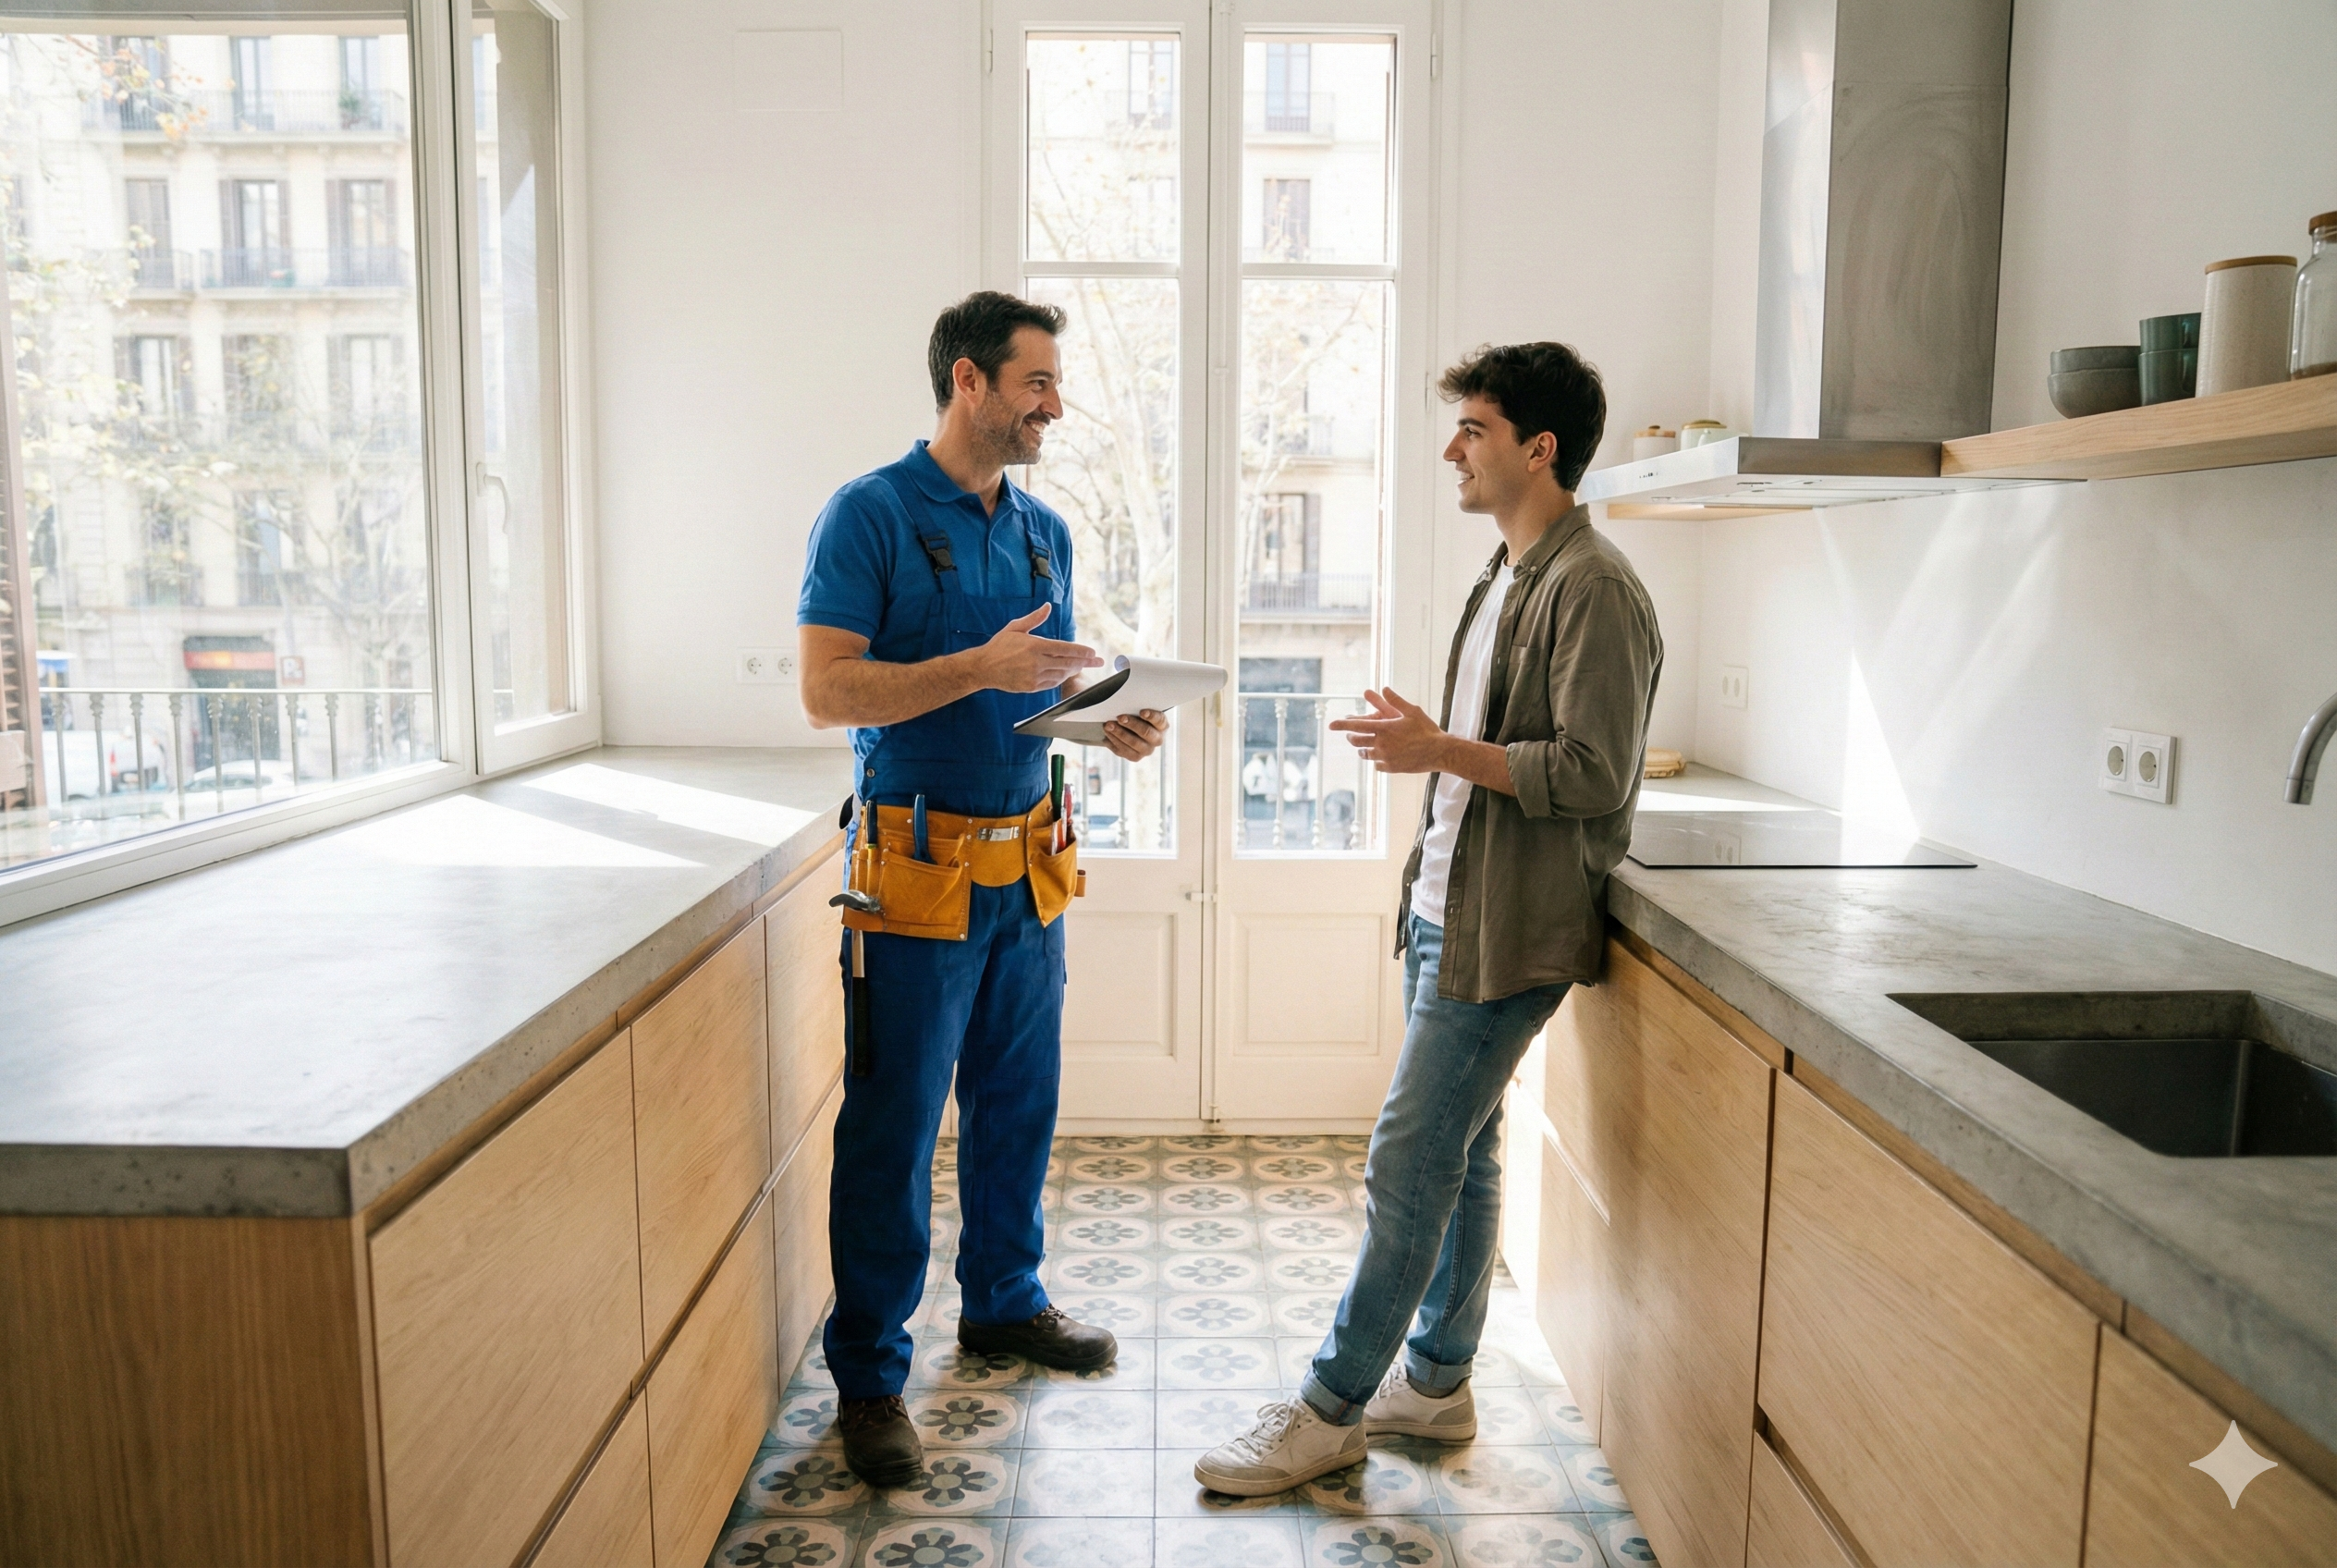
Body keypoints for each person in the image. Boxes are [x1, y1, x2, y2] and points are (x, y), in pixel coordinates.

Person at [1194, 341, 1663, 1494]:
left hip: (1508, 928)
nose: (1452, 448)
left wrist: (1439, 748)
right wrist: (1436, 752)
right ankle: (1440, 1381)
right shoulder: (1507, 571)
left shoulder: (1591, 584)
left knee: (1406, 1158)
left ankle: (1329, 1407)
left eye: (1473, 430)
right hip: (1449, 907)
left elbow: (1596, 771)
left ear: (1536, 448)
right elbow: (1500, 752)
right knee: (1465, 1147)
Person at [797, 291, 1167, 1488]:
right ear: (968, 382)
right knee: (895, 1131)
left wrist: (1101, 725)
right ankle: (870, 1376)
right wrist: (977, 667)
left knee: (1018, 1109)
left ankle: (1004, 1301)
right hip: (913, 875)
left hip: (1029, 867)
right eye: (1036, 386)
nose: (1054, 406)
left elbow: (1029, 693)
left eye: (1053, 387)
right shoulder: (869, 517)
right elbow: (830, 693)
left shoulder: (1045, 531)